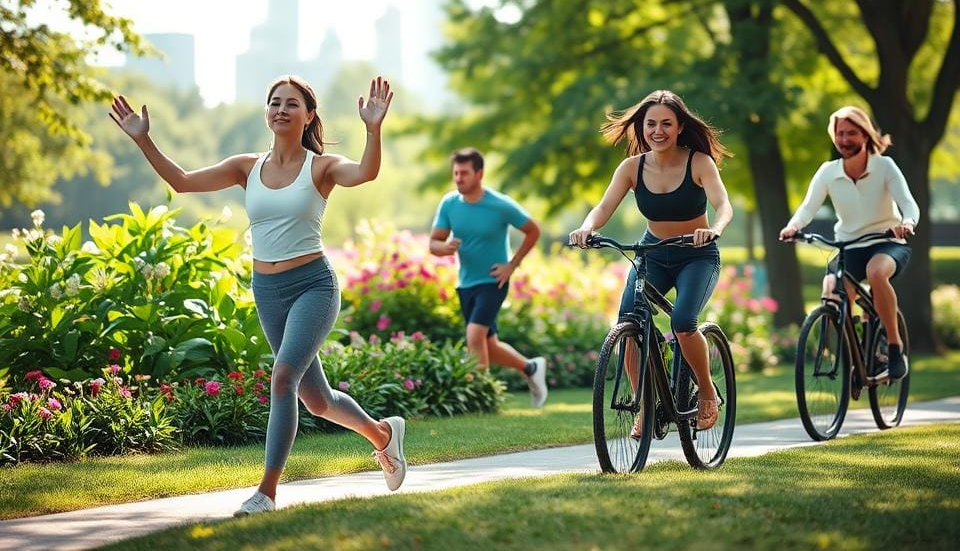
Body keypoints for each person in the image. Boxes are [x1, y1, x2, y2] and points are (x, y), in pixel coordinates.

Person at [110, 75, 408, 516]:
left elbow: (365, 173)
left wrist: (373, 128)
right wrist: (143, 140)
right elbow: (183, 182)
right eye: (274, 102)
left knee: (283, 377)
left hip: (313, 285)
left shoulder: (320, 168)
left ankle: (265, 493)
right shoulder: (246, 167)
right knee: (317, 399)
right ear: (266, 112)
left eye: (292, 104)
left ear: (309, 116)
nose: (281, 109)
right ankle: (383, 435)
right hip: (268, 290)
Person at [568, 90, 734, 431]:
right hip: (651, 255)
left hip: (696, 256)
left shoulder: (699, 162)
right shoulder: (631, 168)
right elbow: (602, 208)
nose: (658, 131)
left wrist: (714, 229)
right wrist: (586, 228)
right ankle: (645, 403)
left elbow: (723, 205)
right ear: (641, 128)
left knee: (684, 323)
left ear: (679, 126)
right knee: (628, 327)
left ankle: (706, 392)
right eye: (651, 124)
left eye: (666, 124)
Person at [779, 105, 918, 379]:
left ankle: (892, 345)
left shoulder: (884, 166)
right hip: (849, 246)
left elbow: (908, 204)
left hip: (886, 242)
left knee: (876, 273)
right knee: (830, 289)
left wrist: (907, 224)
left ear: (865, 135)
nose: (844, 139)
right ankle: (856, 350)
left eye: (851, 133)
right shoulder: (829, 172)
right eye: (840, 134)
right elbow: (807, 208)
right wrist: (793, 226)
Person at [429, 148, 549, 407]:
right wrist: (446, 247)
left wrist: (511, 265)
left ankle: (481, 398)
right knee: (488, 345)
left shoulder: (499, 204)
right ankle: (530, 368)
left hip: (494, 282)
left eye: (464, 173)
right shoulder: (449, 204)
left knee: (474, 336)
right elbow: (434, 244)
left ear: (479, 174)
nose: (459, 178)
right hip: (466, 283)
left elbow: (533, 231)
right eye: (456, 173)